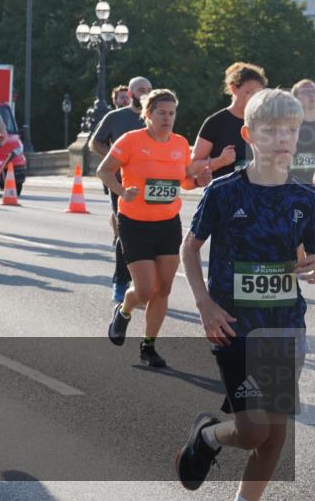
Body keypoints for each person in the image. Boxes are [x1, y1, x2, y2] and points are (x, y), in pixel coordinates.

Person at [176, 88, 315, 499]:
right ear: (249, 134)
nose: (282, 139)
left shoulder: (305, 198)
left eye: (290, 130)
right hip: (233, 325)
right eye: (271, 131)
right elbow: (189, 247)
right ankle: (208, 435)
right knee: (253, 429)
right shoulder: (224, 191)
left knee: (273, 436)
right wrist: (204, 305)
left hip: (284, 327)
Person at [101, 89, 212, 367]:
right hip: (134, 224)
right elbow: (104, 170)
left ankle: (148, 345)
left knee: (164, 288)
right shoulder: (131, 140)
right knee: (146, 289)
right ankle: (124, 310)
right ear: (147, 114)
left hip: (167, 223)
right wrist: (120, 189)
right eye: (161, 112)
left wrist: (198, 181)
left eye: (172, 113)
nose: (167, 118)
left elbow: (182, 182)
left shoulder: (179, 143)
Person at [91, 76, 153, 302]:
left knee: (150, 234)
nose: (144, 92)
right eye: (140, 89)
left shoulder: (155, 118)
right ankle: (120, 281)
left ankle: (143, 281)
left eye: (148, 89)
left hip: (152, 185)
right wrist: (113, 159)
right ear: (130, 92)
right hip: (121, 184)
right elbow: (95, 142)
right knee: (125, 233)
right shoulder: (116, 117)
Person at [191, 62, 268, 180]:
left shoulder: (266, 124)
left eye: (258, 94)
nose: (253, 98)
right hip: (223, 194)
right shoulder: (215, 122)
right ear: (233, 89)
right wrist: (218, 162)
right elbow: (192, 168)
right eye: (249, 92)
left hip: (257, 194)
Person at [290, 79, 315, 183]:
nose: (311, 95)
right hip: (292, 185)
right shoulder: (286, 124)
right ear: (295, 98)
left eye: (313, 91)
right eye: (305, 92)